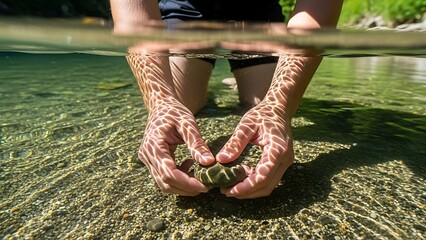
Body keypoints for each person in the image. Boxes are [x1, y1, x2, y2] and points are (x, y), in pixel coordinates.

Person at [110, 0, 343, 199]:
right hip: (187, 5)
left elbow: (316, 18)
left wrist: (278, 107)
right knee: (182, 105)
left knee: (261, 106)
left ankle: (234, 83)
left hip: (257, 8)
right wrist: (160, 102)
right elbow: (133, 20)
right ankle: (212, 88)